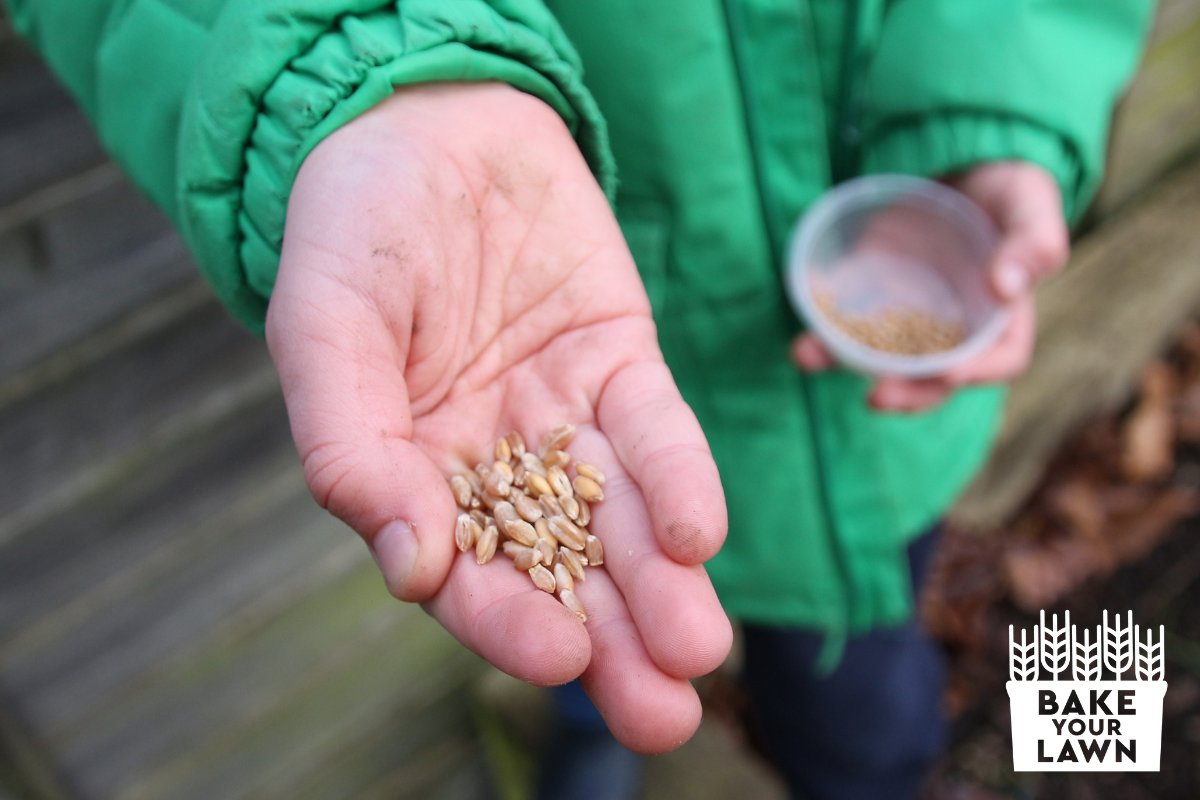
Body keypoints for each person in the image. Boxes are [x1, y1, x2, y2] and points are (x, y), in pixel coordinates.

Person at [6, 0, 1155, 796]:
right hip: (577, 314)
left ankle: (867, 755)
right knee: (592, 628)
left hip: (874, 392)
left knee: (858, 696)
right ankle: (590, 724)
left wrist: (995, 109)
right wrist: (356, 52)